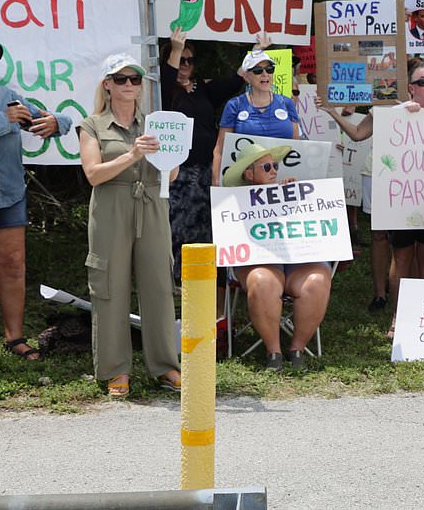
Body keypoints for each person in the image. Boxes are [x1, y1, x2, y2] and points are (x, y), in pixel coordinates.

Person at [321, 62, 424, 335]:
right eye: (423, 82)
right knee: (402, 259)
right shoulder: (394, 114)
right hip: (402, 203)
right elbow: (358, 134)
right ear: (411, 88)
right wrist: (333, 113)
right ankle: (399, 316)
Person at [78, 55, 181, 397]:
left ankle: (166, 365)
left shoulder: (156, 123)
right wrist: (132, 155)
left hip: (152, 204)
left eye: (134, 79)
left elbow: (171, 174)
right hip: (111, 207)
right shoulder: (92, 125)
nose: (128, 85)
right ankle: (115, 370)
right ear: (107, 84)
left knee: (159, 285)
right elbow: (93, 174)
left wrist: (171, 157)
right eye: (120, 79)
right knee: (109, 288)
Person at [0, 31, 72, 360]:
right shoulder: (5, 109)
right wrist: (4, 120)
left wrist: (57, 121)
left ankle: (15, 338)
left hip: (9, 193)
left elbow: (47, 119)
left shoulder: (6, 95)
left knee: (13, 265)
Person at [224, 142, 332, 371]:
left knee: (318, 280)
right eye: (266, 167)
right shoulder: (234, 202)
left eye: (275, 165)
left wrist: (294, 197)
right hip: (259, 262)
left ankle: (297, 349)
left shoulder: (291, 191)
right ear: (249, 173)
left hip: (296, 261)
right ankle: (274, 353)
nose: (274, 170)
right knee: (262, 283)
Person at [160, 28, 248, 282]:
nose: (186, 65)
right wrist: (176, 49)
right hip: (179, 170)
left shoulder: (202, 89)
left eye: (191, 60)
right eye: (181, 60)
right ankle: (176, 277)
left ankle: (203, 274)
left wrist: (257, 52)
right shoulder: (164, 90)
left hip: (207, 168)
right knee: (178, 223)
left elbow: (235, 80)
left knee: (206, 222)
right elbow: (167, 77)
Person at [211, 49, 301, 185]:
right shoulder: (234, 105)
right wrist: (216, 182)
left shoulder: (287, 103)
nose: (265, 74)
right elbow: (220, 149)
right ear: (247, 77)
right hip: (247, 183)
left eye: (269, 69)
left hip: (282, 180)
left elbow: (297, 146)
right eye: (258, 70)